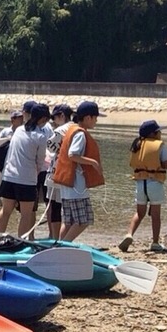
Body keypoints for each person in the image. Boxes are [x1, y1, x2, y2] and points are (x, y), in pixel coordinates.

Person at [50, 100, 105, 242]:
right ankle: (65, 246)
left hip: (67, 186)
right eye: (95, 118)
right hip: (76, 186)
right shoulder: (80, 134)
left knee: (69, 221)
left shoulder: (71, 130)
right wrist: (92, 162)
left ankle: (59, 246)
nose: (96, 121)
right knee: (83, 220)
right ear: (88, 118)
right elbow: (72, 154)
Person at [0, 101, 49, 238]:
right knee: (26, 215)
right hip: (27, 180)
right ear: (42, 119)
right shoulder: (41, 137)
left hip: (9, 177)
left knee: (5, 211)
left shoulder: (19, 130)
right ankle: (21, 242)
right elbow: (40, 160)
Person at [118, 119, 167, 253]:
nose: (160, 133)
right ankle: (155, 242)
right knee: (155, 214)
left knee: (139, 212)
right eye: (158, 131)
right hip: (155, 183)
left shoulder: (137, 144)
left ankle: (129, 234)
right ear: (153, 134)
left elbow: (132, 164)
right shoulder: (160, 145)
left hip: (141, 183)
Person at [43, 103, 73, 240]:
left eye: (54, 118)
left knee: (55, 207)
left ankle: (55, 238)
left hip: (56, 172)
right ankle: (65, 237)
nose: (53, 121)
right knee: (67, 209)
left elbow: (50, 147)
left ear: (61, 116)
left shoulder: (61, 130)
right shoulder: (76, 128)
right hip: (70, 173)